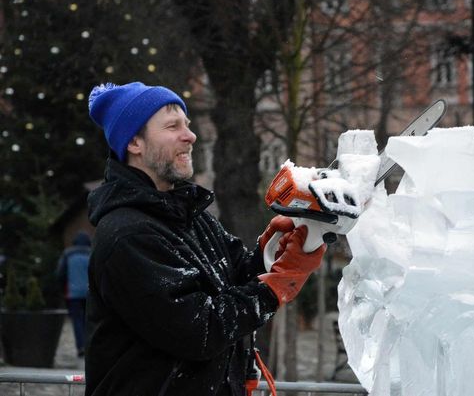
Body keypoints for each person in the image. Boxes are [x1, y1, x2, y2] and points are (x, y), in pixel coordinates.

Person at [85, 81, 325, 396]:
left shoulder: (191, 216)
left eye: (187, 124)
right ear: (134, 143)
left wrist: (276, 247)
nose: (191, 135)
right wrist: (274, 288)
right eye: (173, 126)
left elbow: (239, 276)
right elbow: (199, 330)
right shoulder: (127, 234)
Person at [56, 230, 92, 357]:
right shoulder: (92, 253)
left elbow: (60, 273)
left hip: (73, 293)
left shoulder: (67, 254)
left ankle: (81, 346)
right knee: (90, 320)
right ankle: (91, 346)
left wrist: (63, 289)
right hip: (90, 294)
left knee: (77, 320)